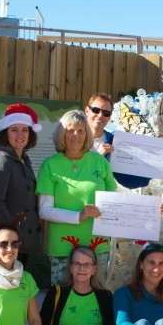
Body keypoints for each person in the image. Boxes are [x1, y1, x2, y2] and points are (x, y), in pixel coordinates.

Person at [37, 109, 117, 286]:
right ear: (61, 133)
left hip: (97, 245)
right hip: (62, 248)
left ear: (87, 133)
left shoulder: (100, 162)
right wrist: (78, 216)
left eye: (81, 130)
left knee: (96, 300)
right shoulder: (50, 165)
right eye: (70, 130)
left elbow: (115, 202)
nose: (76, 135)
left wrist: (149, 212)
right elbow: (44, 210)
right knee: (62, 302)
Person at [0, 103, 43, 265]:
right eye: (14, 130)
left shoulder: (23, 159)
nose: (20, 135)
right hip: (6, 245)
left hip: (18, 243)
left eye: (24, 130)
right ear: (5, 133)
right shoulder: (1, 160)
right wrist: (13, 236)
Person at [84, 92, 151, 189]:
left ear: (110, 117)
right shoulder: (75, 139)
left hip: (100, 200)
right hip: (75, 200)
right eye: (96, 110)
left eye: (106, 113)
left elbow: (129, 181)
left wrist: (161, 167)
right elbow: (70, 172)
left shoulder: (114, 142)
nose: (100, 115)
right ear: (87, 110)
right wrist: (98, 157)